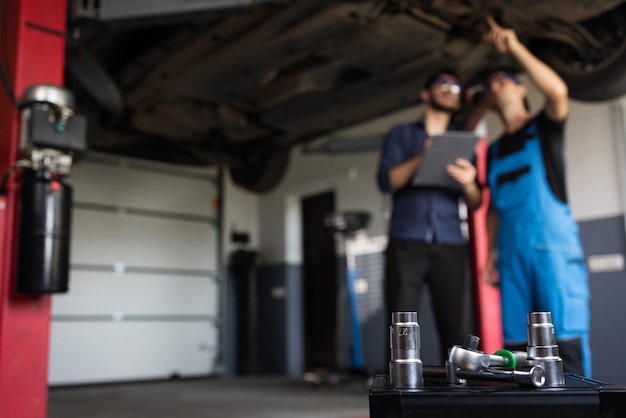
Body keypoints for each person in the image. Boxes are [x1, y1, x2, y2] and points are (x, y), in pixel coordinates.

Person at [480, 16, 591, 377]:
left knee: (566, 341)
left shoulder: (544, 128)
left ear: (521, 88)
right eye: (491, 84)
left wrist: (514, 48)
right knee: (517, 349)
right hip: (511, 257)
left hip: (554, 253)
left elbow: (558, 92)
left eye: (504, 80)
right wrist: (491, 254)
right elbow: (492, 208)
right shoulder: (494, 152)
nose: (497, 86)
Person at [376, 69, 482, 363]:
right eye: (443, 84)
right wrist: (423, 157)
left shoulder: (464, 143)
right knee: (400, 327)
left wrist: (469, 182)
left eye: (457, 88)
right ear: (426, 94)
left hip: (450, 243)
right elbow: (387, 181)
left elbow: (475, 201)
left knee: (457, 327)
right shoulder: (401, 135)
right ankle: (399, 393)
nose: (451, 90)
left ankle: (457, 395)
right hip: (405, 243)